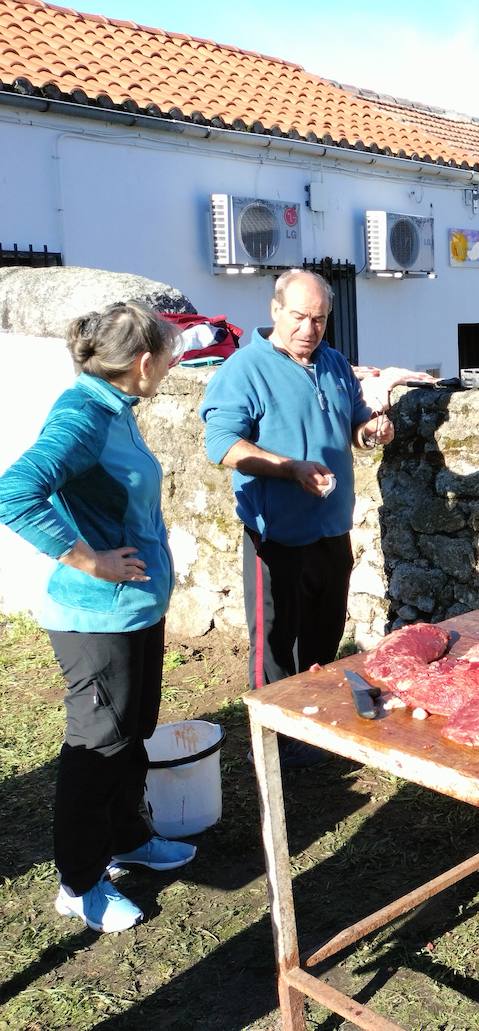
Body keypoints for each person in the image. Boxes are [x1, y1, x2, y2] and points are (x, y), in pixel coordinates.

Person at [0, 302, 194, 933]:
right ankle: (80, 883)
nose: (171, 366)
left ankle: (128, 837)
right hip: (94, 619)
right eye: (167, 356)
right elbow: (14, 492)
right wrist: (89, 560)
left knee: (133, 729)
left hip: (136, 610)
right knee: (97, 748)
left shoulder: (116, 409)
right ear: (143, 363)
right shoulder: (82, 417)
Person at [199, 270, 393, 766]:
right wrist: (289, 469)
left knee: (325, 635)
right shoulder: (244, 368)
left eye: (320, 319)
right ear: (274, 310)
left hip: (332, 529)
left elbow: (352, 420)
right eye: (299, 317)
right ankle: (272, 745)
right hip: (276, 535)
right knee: (274, 644)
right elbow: (221, 446)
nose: (310, 329)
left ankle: (314, 729)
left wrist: (372, 430)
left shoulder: (332, 363)